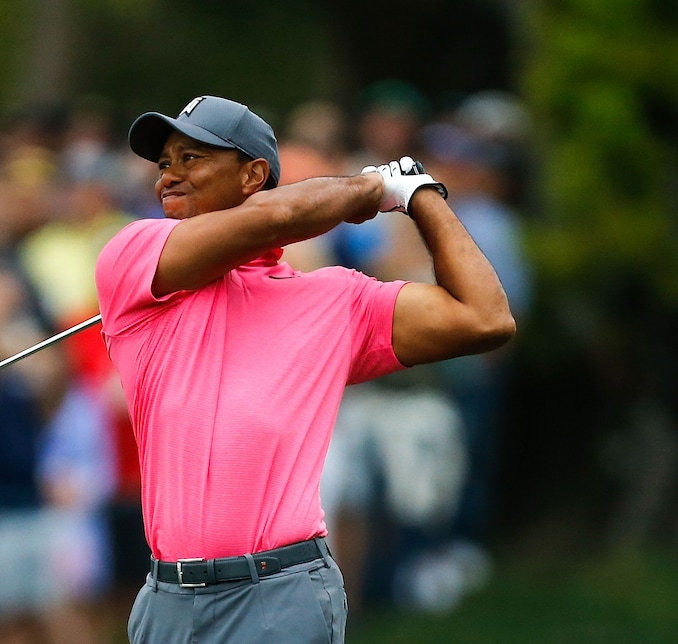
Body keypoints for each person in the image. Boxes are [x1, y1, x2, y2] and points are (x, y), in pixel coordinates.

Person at [94, 94, 516, 644]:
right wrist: (372, 188)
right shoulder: (135, 255)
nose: (168, 176)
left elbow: (485, 318)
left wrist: (421, 196)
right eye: (164, 163)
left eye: (192, 158)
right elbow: (282, 215)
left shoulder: (335, 300)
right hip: (166, 600)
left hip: (280, 595)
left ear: (253, 174)